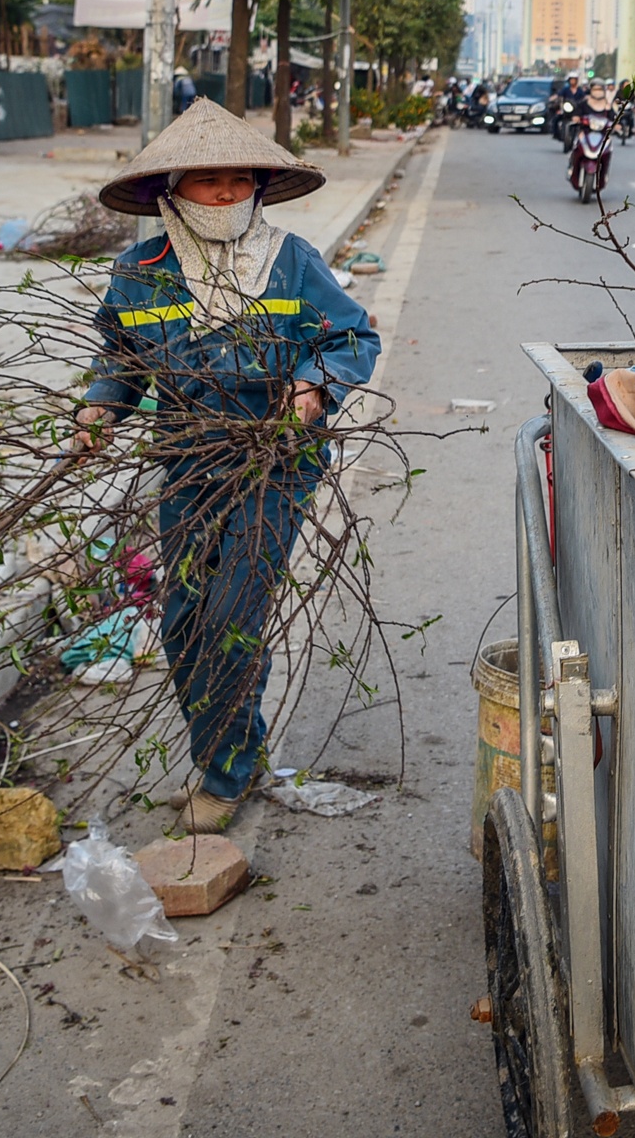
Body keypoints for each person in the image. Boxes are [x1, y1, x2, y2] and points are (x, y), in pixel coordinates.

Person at [76, 99, 381, 834]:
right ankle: (232, 748)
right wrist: (97, 410)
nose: (225, 194)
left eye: (239, 181)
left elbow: (352, 337)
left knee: (233, 613)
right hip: (186, 461)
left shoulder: (292, 261)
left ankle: (224, 774)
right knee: (183, 619)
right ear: (171, 189)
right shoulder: (139, 274)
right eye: (208, 180)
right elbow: (121, 359)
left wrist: (314, 382)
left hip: (274, 463)